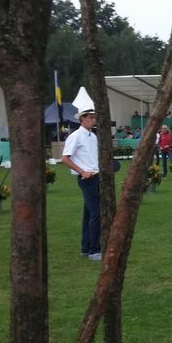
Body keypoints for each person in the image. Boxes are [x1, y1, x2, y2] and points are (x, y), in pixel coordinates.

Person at [60, 107, 102, 262]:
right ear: (82, 118)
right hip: (87, 179)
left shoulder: (93, 136)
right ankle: (94, 250)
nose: (93, 119)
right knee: (96, 214)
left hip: (96, 177)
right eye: (90, 117)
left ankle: (86, 248)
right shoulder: (75, 136)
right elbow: (65, 158)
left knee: (89, 214)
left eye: (94, 117)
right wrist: (82, 171)